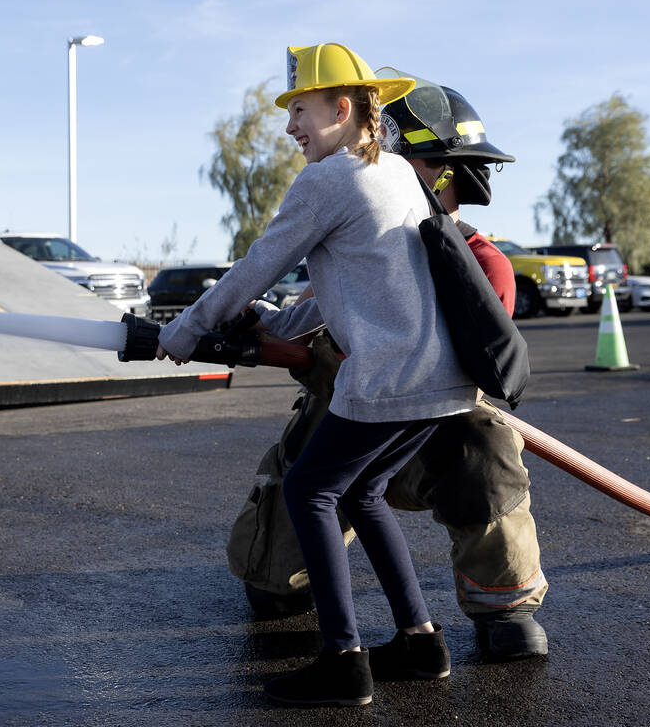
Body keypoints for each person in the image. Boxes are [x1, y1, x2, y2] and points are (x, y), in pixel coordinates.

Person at [156, 43, 472, 707]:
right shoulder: (394, 174)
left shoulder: (329, 178)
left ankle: (343, 660)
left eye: (300, 109)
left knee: (308, 491)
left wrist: (186, 330)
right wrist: (277, 322)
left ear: (344, 107)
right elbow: (354, 289)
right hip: (444, 379)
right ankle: (421, 642)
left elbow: (258, 263)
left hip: (390, 377)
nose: (291, 125)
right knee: (362, 493)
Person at [227, 72, 550, 661]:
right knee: (281, 553)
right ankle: (302, 586)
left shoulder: (482, 265)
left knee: (486, 444)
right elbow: (311, 326)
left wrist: (303, 354)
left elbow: (446, 365)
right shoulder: (363, 246)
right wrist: (255, 334)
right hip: (350, 417)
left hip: (430, 442)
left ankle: (504, 606)